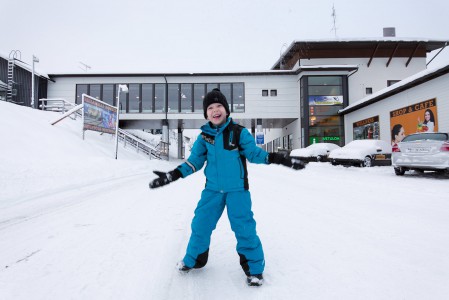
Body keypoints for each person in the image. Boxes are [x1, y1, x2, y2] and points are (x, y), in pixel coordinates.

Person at [149, 88, 305, 287]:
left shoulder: (239, 133)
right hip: (212, 190)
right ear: (206, 114)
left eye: (219, 106)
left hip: (237, 190)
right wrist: (173, 175)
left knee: (244, 228)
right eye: (211, 108)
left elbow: (254, 154)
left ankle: (254, 270)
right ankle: (194, 259)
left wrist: (279, 158)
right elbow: (194, 162)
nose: (215, 110)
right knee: (200, 225)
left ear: (227, 110)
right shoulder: (204, 137)